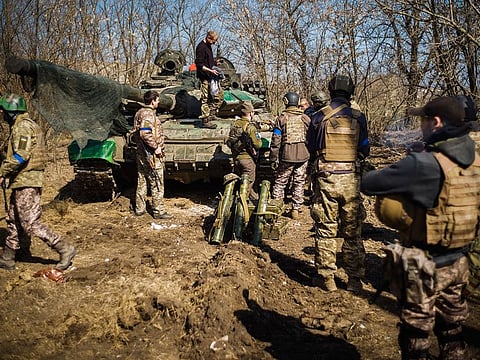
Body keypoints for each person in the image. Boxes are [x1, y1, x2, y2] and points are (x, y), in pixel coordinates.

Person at [361, 96, 477, 360]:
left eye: (423, 120)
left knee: (416, 338)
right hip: (461, 262)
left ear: (435, 122)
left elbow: (370, 183)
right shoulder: (476, 161)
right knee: (452, 332)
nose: (420, 125)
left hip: (425, 266)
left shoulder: (424, 163)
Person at [306, 75, 370, 292]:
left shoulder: (318, 117)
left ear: (330, 91)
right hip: (351, 179)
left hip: (326, 179)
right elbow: (365, 149)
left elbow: (311, 146)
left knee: (325, 228)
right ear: (350, 91)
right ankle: (354, 280)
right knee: (353, 231)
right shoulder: (358, 117)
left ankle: (327, 279)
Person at [0, 94, 76, 271]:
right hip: (22, 179)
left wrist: (3, 171)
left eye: (4, 110)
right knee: (13, 219)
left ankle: (64, 248)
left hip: (28, 180)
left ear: (12, 111)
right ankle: (9, 256)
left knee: (30, 222)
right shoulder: (25, 125)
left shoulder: (23, 127)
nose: (2, 113)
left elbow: (21, 155)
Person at [269, 92, 311, 219]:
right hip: (303, 155)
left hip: (287, 155)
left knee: (280, 182)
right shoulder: (305, 118)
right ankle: (296, 209)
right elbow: (311, 137)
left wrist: (273, 157)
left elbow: (276, 139)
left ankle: (277, 207)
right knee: (299, 182)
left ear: (286, 102)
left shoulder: (281, 119)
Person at [133, 90, 172, 220]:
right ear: (153, 100)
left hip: (141, 153)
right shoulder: (148, 115)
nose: (159, 102)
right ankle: (158, 210)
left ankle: (140, 208)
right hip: (151, 155)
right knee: (157, 182)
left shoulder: (139, 112)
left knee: (142, 180)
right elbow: (144, 133)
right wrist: (156, 148)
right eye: (157, 100)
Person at [226, 101, 263, 200]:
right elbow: (258, 144)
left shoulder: (234, 124)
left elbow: (229, 141)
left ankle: (254, 201)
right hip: (247, 159)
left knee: (246, 183)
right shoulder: (250, 127)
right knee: (247, 184)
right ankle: (240, 207)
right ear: (251, 113)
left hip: (236, 158)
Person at [194, 30, 224, 129]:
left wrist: (215, 63)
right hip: (204, 77)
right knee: (205, 99)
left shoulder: (208, 47)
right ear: (208, 38)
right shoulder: (201, 47)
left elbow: (208, 62)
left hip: (211, 76)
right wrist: (210, 71)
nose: (214, 43)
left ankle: (211, 114)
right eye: (213, 41)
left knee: (217, 96)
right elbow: (199, 64)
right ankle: (205, 120)